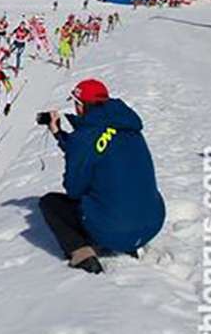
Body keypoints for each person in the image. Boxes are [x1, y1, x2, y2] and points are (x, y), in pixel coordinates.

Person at [38, 79, 165, 274]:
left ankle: (83, 257)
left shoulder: (85, 138)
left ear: (81, 106)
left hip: (114, 230)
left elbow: (73, 190)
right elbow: (94, 149)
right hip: (151, 224)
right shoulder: (128, 127)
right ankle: (128, 243)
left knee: (50, 204)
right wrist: (60, 135)